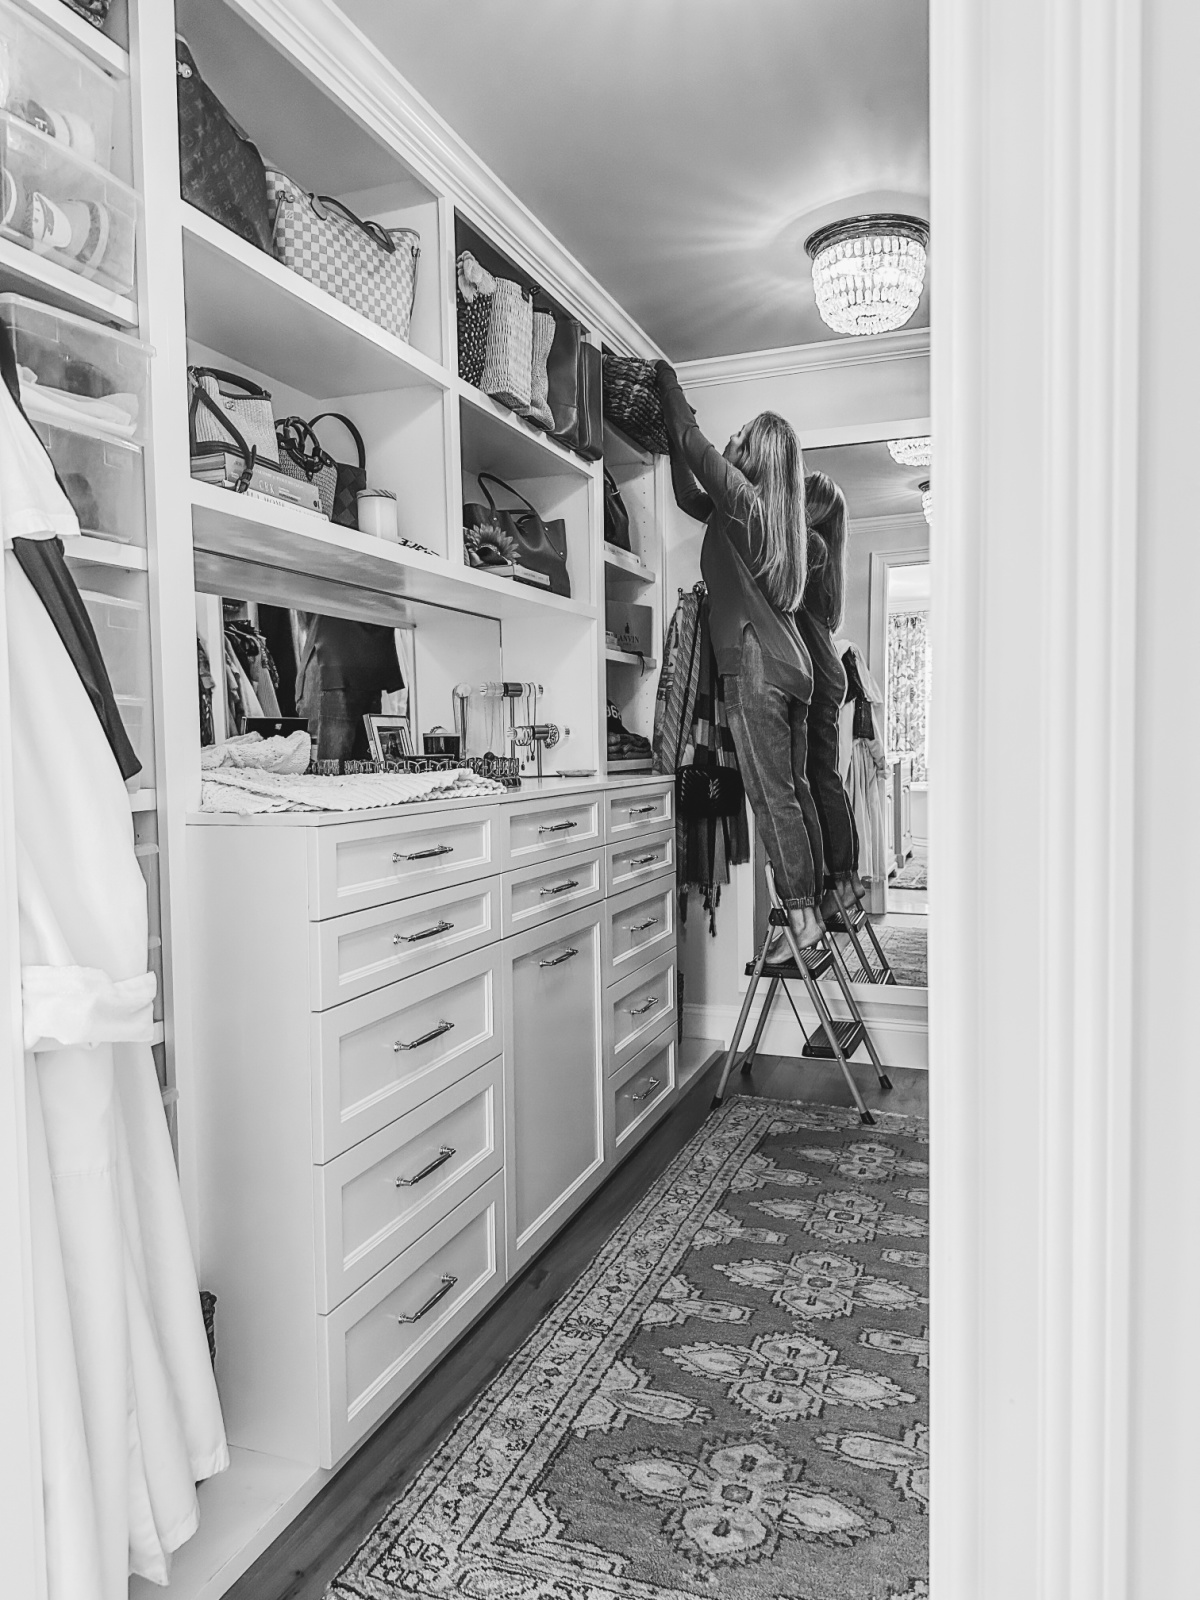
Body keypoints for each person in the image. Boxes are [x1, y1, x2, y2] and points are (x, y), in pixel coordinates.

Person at [656, 360, 824, 946]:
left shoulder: (743, 502)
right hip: (788, 665)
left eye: (741, 437)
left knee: (770, 795)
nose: (731, 441)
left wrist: (666, 382)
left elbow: (690, 440)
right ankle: (812, 906)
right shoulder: (754, 516)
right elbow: (686, 492)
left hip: (756, 663)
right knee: (791, 792)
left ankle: (801, 918)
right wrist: (674, 432)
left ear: (754, 456)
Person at [799, 470, 867, 915]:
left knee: (821, 777)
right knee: (827, 776)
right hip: (827, 671)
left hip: (820, 675)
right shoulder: (826, 556)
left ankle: (842, 879)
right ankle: (847, 878)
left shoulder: (809, 549)